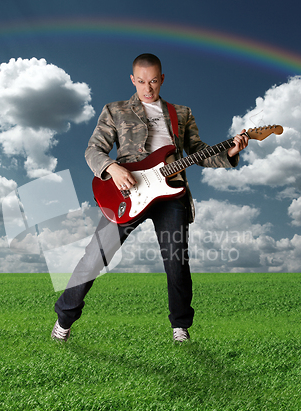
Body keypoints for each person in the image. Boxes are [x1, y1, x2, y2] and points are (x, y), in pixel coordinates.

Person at [51, 53, 248, 342]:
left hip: (172, 192)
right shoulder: (115, 109)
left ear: (162, 79)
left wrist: (230, 152)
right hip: (127, 190)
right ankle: (64, 320)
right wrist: (112, 168)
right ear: (133, 79)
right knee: (95, 255)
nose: (148, 88)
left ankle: (180, 327)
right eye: (142, 81)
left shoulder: (181, 113)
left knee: (177, 261)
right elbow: (93, 150)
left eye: (154, 81)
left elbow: (198, 152)